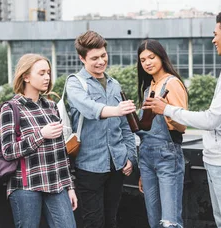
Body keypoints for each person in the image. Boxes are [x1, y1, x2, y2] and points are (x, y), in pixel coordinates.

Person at [143, 8, 221, 228]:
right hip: (219, 159)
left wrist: (166, 109)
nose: (213, 39)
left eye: (216, 33)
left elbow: (211, 119)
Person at [66, 31, 138, 228]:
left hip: (117, 165)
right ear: (82, 58)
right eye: (94, 58)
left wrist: (130, 156)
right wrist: (116, 110)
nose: (101, 61)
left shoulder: (115, 85)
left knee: (112, 220)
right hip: (89, 167)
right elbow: (89, 108)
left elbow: (126, 127)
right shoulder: (75, 83)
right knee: (93, 222)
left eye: (103, 56)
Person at [0, 53, 77, 228]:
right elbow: (8, 151)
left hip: (55, 184)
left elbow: (61, 152)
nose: (47, 77)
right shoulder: (11, 108)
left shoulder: (51, 106)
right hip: (25, 186)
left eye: (48, 72)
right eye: (41, 73)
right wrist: (41, 134)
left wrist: (69, 186)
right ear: (25, 76)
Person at [135, 39, 188, 228]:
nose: (147, 62)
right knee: (153, 218)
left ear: (161, 57)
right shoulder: (149, 87)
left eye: (151, 57)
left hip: (167, 154)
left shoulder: (172, 83)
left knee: (169, 221)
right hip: (147, 157)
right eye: (143, 60)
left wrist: (164, 110)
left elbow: (182, 126)